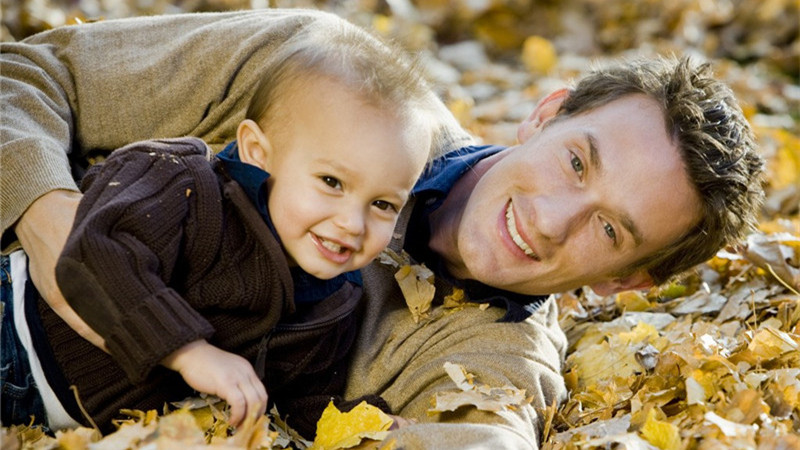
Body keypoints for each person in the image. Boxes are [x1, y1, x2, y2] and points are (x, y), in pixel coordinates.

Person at [0, 9, 764, 449]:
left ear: (624, 282)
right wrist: (44, 216)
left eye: (610, 230)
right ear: (548, 112)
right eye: (575, 162)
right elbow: (27, 74)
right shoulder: (325, 73)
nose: (550, 220)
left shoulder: (493, 355)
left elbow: (487, 436)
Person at [0, 16, 438, 437]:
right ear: (257, 152)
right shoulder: (185, 184)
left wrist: (357, 423)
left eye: (382, 203)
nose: (352, 223)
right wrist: (188, 351)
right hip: (15, 331)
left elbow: (288, 399)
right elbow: (95, 254)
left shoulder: (335, 301)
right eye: (331, 182)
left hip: (52, 416)